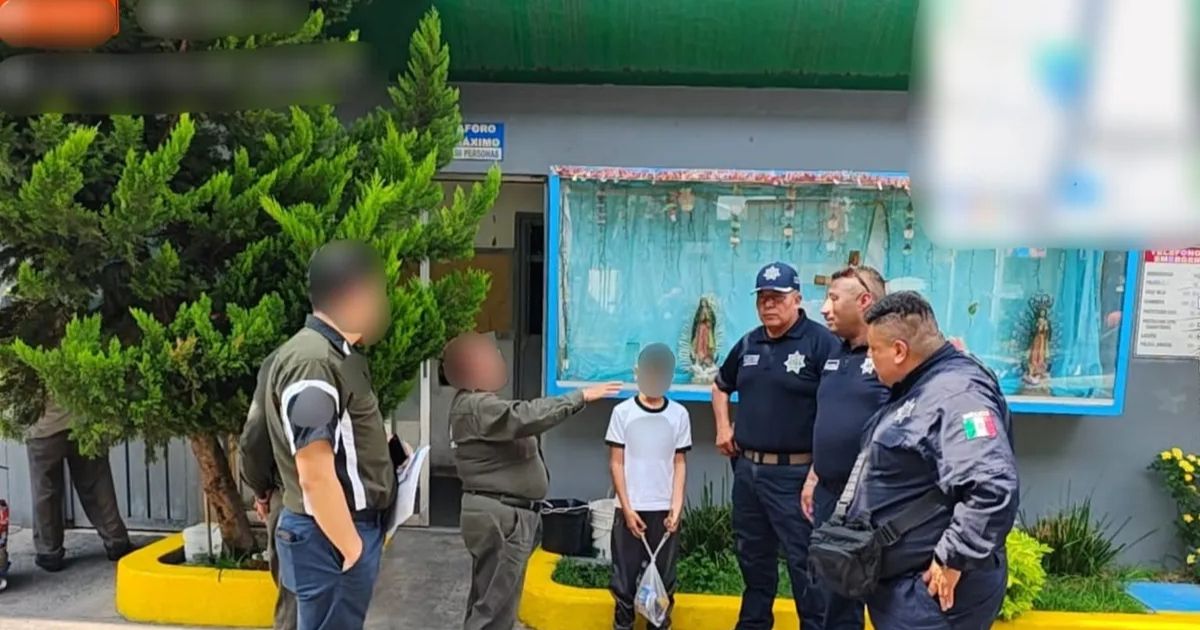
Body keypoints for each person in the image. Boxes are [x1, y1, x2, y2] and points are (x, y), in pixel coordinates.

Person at [851, 291, 1018, 630]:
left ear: (900, 351)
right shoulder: (921, 385)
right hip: (905, 586)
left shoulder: (958, 394)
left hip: (932, 593)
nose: (868, 358)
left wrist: (953, 557)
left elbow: (992, 484)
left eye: (873, 349)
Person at [442, 332, 620, 630]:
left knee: (490, 601)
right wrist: (579, 397)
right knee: (494, 610)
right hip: (502, 517)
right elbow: (526, 416)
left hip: (502, 513)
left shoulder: (478, 404)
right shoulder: (476, 405)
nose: (498, 360)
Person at [264, 240, 396, 630]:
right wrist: (352, 550)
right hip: (330, 538)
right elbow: (315, 473)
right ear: (354, 293)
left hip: (334, 534)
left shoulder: (334, 354)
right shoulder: (314, 362)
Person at [712, 261, 838, 630]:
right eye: (762, 298)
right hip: (748, 471)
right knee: (753, 559)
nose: (769, 304)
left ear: (797, 299)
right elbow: (720, 385)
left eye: (777, 297)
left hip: (796, 476)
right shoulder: (750, 342)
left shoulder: (821, 343)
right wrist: (723, 426)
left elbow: (838, 405)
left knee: (805, 564)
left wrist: (819, 470)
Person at [802, 265, 890, 630]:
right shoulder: (835, 353)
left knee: (876, 599)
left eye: (834, 299)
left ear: (865, 300)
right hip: (829, 496)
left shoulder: (890, 355)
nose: (825, 308)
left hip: (872, 501)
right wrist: (813, 476)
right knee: (830, 596)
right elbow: (830, 418)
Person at [606, 343, 691, 630]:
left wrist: (676, 508)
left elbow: (679, 463)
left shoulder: (679, 414)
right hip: (629, 508)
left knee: (664, 581)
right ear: (637, 372)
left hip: (664, 510)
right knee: (624, 580)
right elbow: (616, 462)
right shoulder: (622, 412)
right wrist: (627, 509)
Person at [26, 399, 132, 572]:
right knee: (97, 484)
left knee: (45, 492)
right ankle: (116, 542)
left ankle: (49, 553)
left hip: (43, 428)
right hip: (84, 420)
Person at [238, 349, 297, 630]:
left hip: (293, 501)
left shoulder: (281, 361)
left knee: (295, 608)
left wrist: (260, 491)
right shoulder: (350, 361)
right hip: (350, 509)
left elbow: (254, 440)